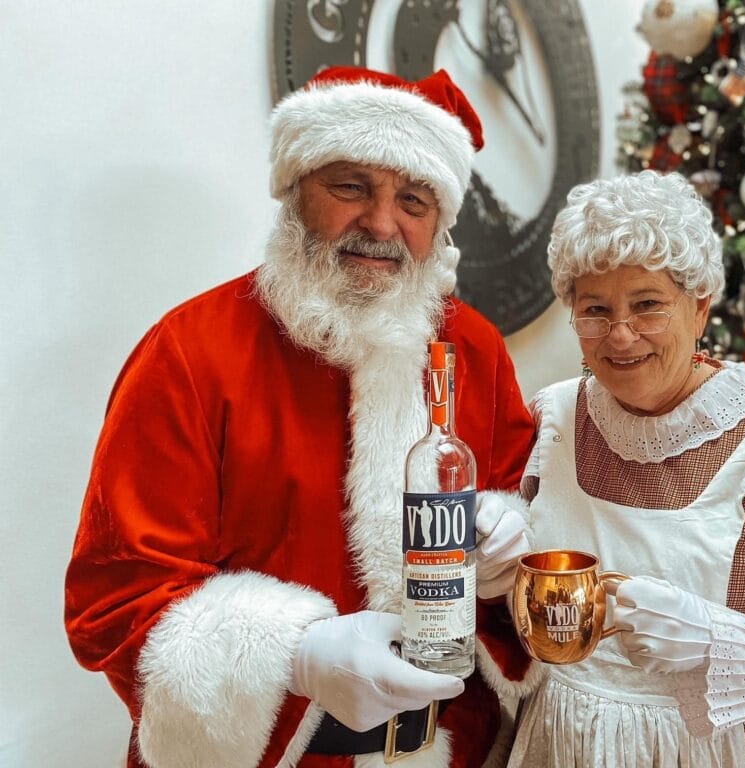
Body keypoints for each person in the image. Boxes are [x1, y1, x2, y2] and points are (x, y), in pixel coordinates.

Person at [64, 67, 540, 768]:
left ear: (439, 224)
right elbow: (113, 598)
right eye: (350, 187)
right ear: (295, 191)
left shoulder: (474, 349)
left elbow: (531, 530)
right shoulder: (189, 352)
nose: (381, 224)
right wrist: (296, 655)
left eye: (412, 199)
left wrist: (509, 553)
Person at [502, 170, 745, 767]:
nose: (622, 334)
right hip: (560, 745)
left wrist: (716, 640)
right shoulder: (552, 420)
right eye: (595, 310)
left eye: (649, 305)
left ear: (700, 306)